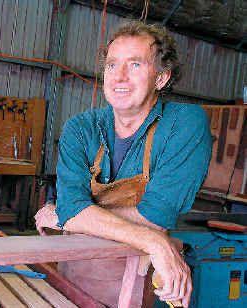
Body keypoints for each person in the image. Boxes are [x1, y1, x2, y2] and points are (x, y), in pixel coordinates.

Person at [35, 21, 211, 308]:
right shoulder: (80, 129)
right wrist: (154, 241)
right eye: (112, 65)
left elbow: (155, 217)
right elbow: (75, 210)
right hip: (77, 273)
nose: (120, 77)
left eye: (136, 65)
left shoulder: (184, 123)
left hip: (142, 280)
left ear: (161, 78)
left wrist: (72, 217)